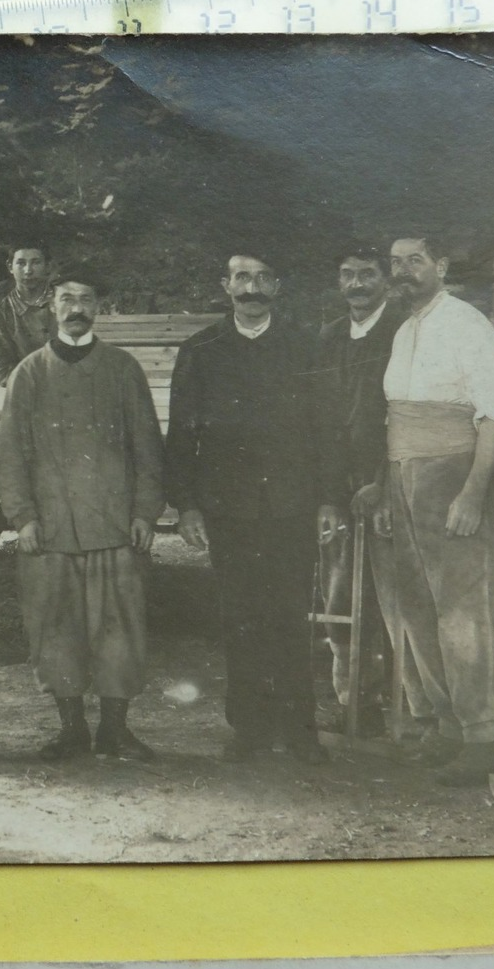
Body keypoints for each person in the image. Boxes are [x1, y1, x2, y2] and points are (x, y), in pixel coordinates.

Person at [165, 249, 328, 765]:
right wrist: (186, 505)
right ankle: (250, 729)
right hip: (228, 506)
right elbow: (182, 431)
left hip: (292, 504)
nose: (251, 288)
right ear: (225, 286)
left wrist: (327, 498)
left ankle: (301, 729)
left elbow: (326, 432)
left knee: (290, 615)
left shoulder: (305, 346)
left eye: (262, 278)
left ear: (276, 287)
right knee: (240, 617)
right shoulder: (201, 349)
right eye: (242, 278)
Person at [0, 266, 165, 761]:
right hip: (50, 529)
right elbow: (10, 453)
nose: (76, 308)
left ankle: (115, 730)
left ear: (98, 308)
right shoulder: (29, 373)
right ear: (51, 306)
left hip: (114, 525)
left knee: (121, 628)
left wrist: (145, 512)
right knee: (54, 626)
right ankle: (71, 729)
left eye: (86, 298)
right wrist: (22, 516)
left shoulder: (123, 369)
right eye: (66, 298)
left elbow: (148, 448)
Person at [378, 236, 494, 787]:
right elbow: (395, 418)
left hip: (452, 473)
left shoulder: (467, 323)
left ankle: (481, 735)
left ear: (441, 266)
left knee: (461, 609)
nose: (404, 271)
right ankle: (446, 726)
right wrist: (385, 486)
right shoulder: (404, 327)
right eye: (396, 263)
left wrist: (473, 493)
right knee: (415, 606)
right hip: (402, 475)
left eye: (415, 261)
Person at [313, 244, 421, 736]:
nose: (357, 284)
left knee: (396, 594)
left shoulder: (404, 330)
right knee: (339, 591)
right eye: (348, 274)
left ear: (385, 280)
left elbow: (405, 413)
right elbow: (321, 419)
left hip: (391, 482)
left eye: (367, 274)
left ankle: (409, 706)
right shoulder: (331, 336)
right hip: (341, 486)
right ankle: (350, 698)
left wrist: (381, 480)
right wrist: (330, 492)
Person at [0, 240, 57, 386]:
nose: (28, 270)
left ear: (48, 267)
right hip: (25, 394)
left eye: (36, 262)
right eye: (21, 263)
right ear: (10, 267)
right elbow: (2, 370)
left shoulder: (63, 303)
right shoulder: (2, 314)